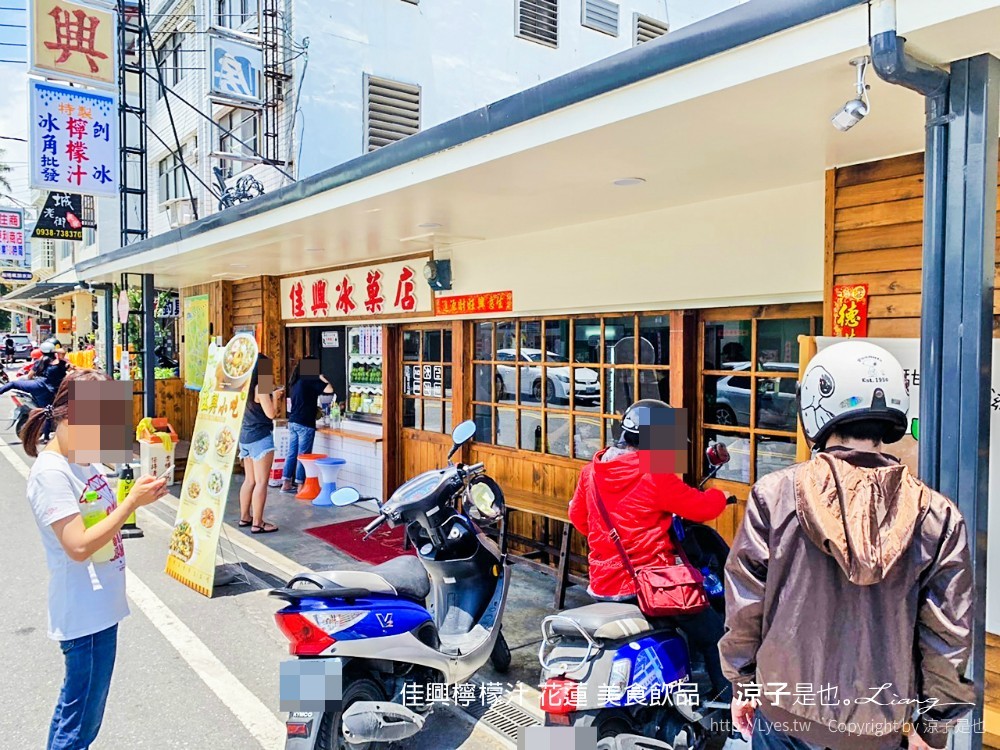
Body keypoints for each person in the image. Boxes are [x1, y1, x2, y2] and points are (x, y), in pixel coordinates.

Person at [721, 340, 973, 750]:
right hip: (877, 729)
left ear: (816, 405)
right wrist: (933, 728)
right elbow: (947, 634)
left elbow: (745, 606)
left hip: (783, 715)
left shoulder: (775, 495)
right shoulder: (938, 515)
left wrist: (743, 685)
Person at [23, 369, 168, 750]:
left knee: (77, 714)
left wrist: (137, 499)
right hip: (84, 616)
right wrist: (130, 504)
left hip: (100, 610)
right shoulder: (51, 473)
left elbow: (98, 518)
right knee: (79, 728)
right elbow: (77, 546)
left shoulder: (82, 461)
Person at [568, 399, 730, 699]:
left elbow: (578, 517)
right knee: (715, 637)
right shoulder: (654, 473)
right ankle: (732, 715)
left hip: (603, 584)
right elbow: (700, 508)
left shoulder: (591, 472)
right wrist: (722, 496)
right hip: (652, 587)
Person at [238, 354, 284, 533]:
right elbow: (271, 414)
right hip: (260, 437)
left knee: (249, 480)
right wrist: (276, 397)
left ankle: (245, 517)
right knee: (261, 482)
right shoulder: (261, 386)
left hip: (245, 437)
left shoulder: (243, 385)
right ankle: (258, 523)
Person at [281, 357, 334, 493]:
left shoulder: (295, 381)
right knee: (303, 456)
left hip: (293, 421)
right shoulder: (310, 381)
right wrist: (321, 378)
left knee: (292, 453)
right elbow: (329, 390)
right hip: (305, 423)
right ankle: (300, 485)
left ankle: (286, 483)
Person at [0, 341, 66, 409]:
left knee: (13, 383)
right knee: (47, 409)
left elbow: (29, 376)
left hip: (38, 385)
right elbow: (63, 352)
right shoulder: (61, 362)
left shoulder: (40, 361)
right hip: (54, 389)